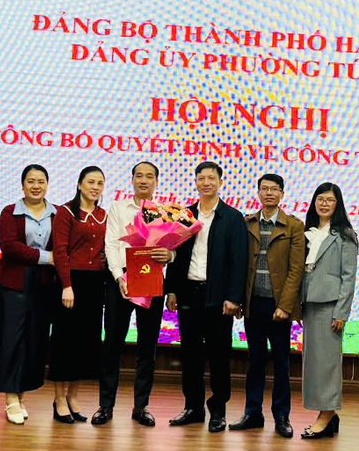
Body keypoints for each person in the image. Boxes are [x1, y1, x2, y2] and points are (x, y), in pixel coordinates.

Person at [166, 161, 248, 433]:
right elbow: (175, 255)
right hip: (189, 292)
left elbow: (239, 261)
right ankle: (193, 408)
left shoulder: (233, 218)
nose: (206, 183)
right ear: (196, 182)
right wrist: (172, 289)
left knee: (219, 355)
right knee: (190, 354)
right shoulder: (184, 215)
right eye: (201, 178)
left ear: (220, 182)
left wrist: (234, 297)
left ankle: (218, 411)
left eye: (211, 178)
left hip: (218, 297)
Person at [93, 161, 175, 427]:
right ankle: (105, 406)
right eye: (139, 176)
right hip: (121, 281)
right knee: (112, 345)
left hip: (152, 280)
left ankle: (141, 407)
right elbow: (111, 244)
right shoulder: (119, 208)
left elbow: (174, 249)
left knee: (147, 347)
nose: (144, 181)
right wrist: (119, 277)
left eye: (149, 176)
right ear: (132, 180)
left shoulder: (165, 212)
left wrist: (170, 255)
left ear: (156, 182)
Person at [229, 173, 305, 438]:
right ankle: (253, 413)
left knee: (281, 362)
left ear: (282, 194)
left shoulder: (294, 226)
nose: (269, 193)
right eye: (265, 189)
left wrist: (285, 306)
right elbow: (238, 263)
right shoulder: (247, 223)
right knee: (255, 361)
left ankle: (282, 416)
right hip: (253, 303)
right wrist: (239, 299)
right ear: (258, 193)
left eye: (274, 189)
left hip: (278, 306)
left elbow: (296, 270)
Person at [0, 164, 56, 425]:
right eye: (31, 181)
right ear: (22, 185)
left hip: (43, 287)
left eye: (41, 181)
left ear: (47, 184)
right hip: (12, 286)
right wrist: (48, 257)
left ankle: (21, 395)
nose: (36, 186)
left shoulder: (57, 214)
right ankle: (11, 398)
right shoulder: (9, 212)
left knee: (33, 343)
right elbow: (10, 247)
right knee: (10, 342)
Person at [47, 166, 109, 424]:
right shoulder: (66, 212)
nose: (95, 187)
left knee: (86, 342)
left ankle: (73, 396)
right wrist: (66, 285)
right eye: (91, 182)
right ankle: (59, 399)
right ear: (80, 184)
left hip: (95, 285)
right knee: (65, 342)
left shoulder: (104, 215)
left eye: (100, 183)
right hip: (70, 283)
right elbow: (60, 251)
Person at [299, 182, 358, 439]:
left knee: (327, 364)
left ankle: (327, 413)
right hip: (310, 304)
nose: (324, 204)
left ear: (338, 204)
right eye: (320, 199)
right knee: (313, 363)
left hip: (331, 306)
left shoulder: (345, 235)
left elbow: (349, 277)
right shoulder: (308, 232)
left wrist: (342, 312)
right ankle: (327, 414)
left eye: (330, 200)